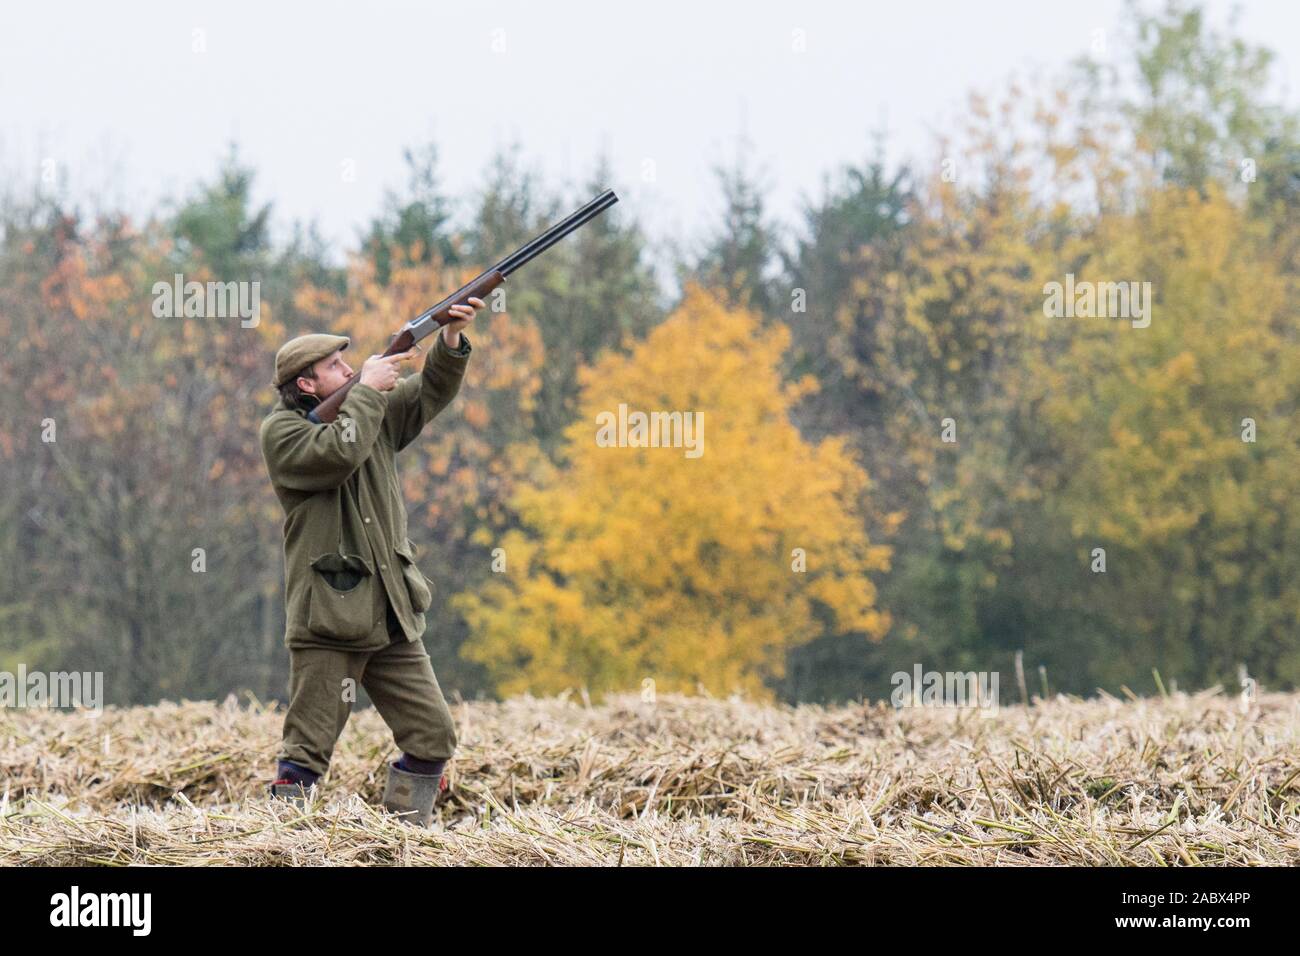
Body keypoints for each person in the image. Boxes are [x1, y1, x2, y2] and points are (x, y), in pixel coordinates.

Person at [258, 298, 482, 825]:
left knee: (433, 736)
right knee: (305, 756)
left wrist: (448, 340)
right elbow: (338, 453)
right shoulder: (283, 434)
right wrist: (364, 392)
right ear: (308, 385)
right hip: (331, 621)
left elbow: (428, 394)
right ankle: (277, 847)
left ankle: (398, 840)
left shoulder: (366, 407)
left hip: (389, 613)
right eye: (336, 366)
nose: (350, 369)